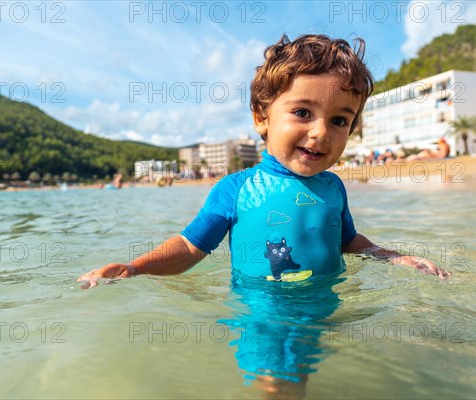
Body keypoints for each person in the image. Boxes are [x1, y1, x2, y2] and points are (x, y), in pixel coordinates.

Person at [77, 33, 451, 393]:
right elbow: (190, 247)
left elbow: (348, 241)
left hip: (327, 303)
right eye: (303, 112)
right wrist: (137, 267)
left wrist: (392, 257)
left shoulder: (334, 188)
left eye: (339, 120)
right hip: (265, 310)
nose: (321, 132)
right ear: (261, 117)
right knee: (279, 384)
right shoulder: (235, 189)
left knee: (330, 372)